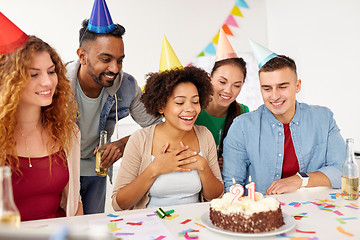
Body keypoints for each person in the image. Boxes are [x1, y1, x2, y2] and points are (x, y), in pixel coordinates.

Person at [66, 0, 160, 214]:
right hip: (60, 171)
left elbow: (157, 125)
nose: (114, 68)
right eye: (106, 59)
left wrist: (125, 143)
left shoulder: (126, 86)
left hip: (95, 172)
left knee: (91, 229)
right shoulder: (57, 84)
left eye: (120, 60)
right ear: (82, 56)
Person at [222, 42, 346, 195]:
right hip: (262, 214)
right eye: (267, 88)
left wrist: (300, 179)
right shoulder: (242, 127)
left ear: (297, 86)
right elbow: (232, 186)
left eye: (282, 87)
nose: (274, 96)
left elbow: (342, 170)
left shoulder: (323, 119)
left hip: (315, 210)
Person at [111, 66, 224, 210]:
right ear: (161, 106)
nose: (190, 109)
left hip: (194, 226)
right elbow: (118, 204)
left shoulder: (204, 135)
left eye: (195, 101)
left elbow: (217, 197)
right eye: (180, 102)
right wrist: (155, 169)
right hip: (152, 226)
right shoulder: (140, 140)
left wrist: (203, 167)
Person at [0, 30, 83, 219]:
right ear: (10, 81)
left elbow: (74, 203)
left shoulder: (69, 133)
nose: (47, 82)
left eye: (51, 71)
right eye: (34, 74)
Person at [195, 29, 248, 171]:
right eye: (222, 82)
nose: (228, 91)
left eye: (237, 85)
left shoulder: (243, 113)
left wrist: (232, 161)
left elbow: (248, 155)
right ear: (210, 77)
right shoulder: (193, 110)